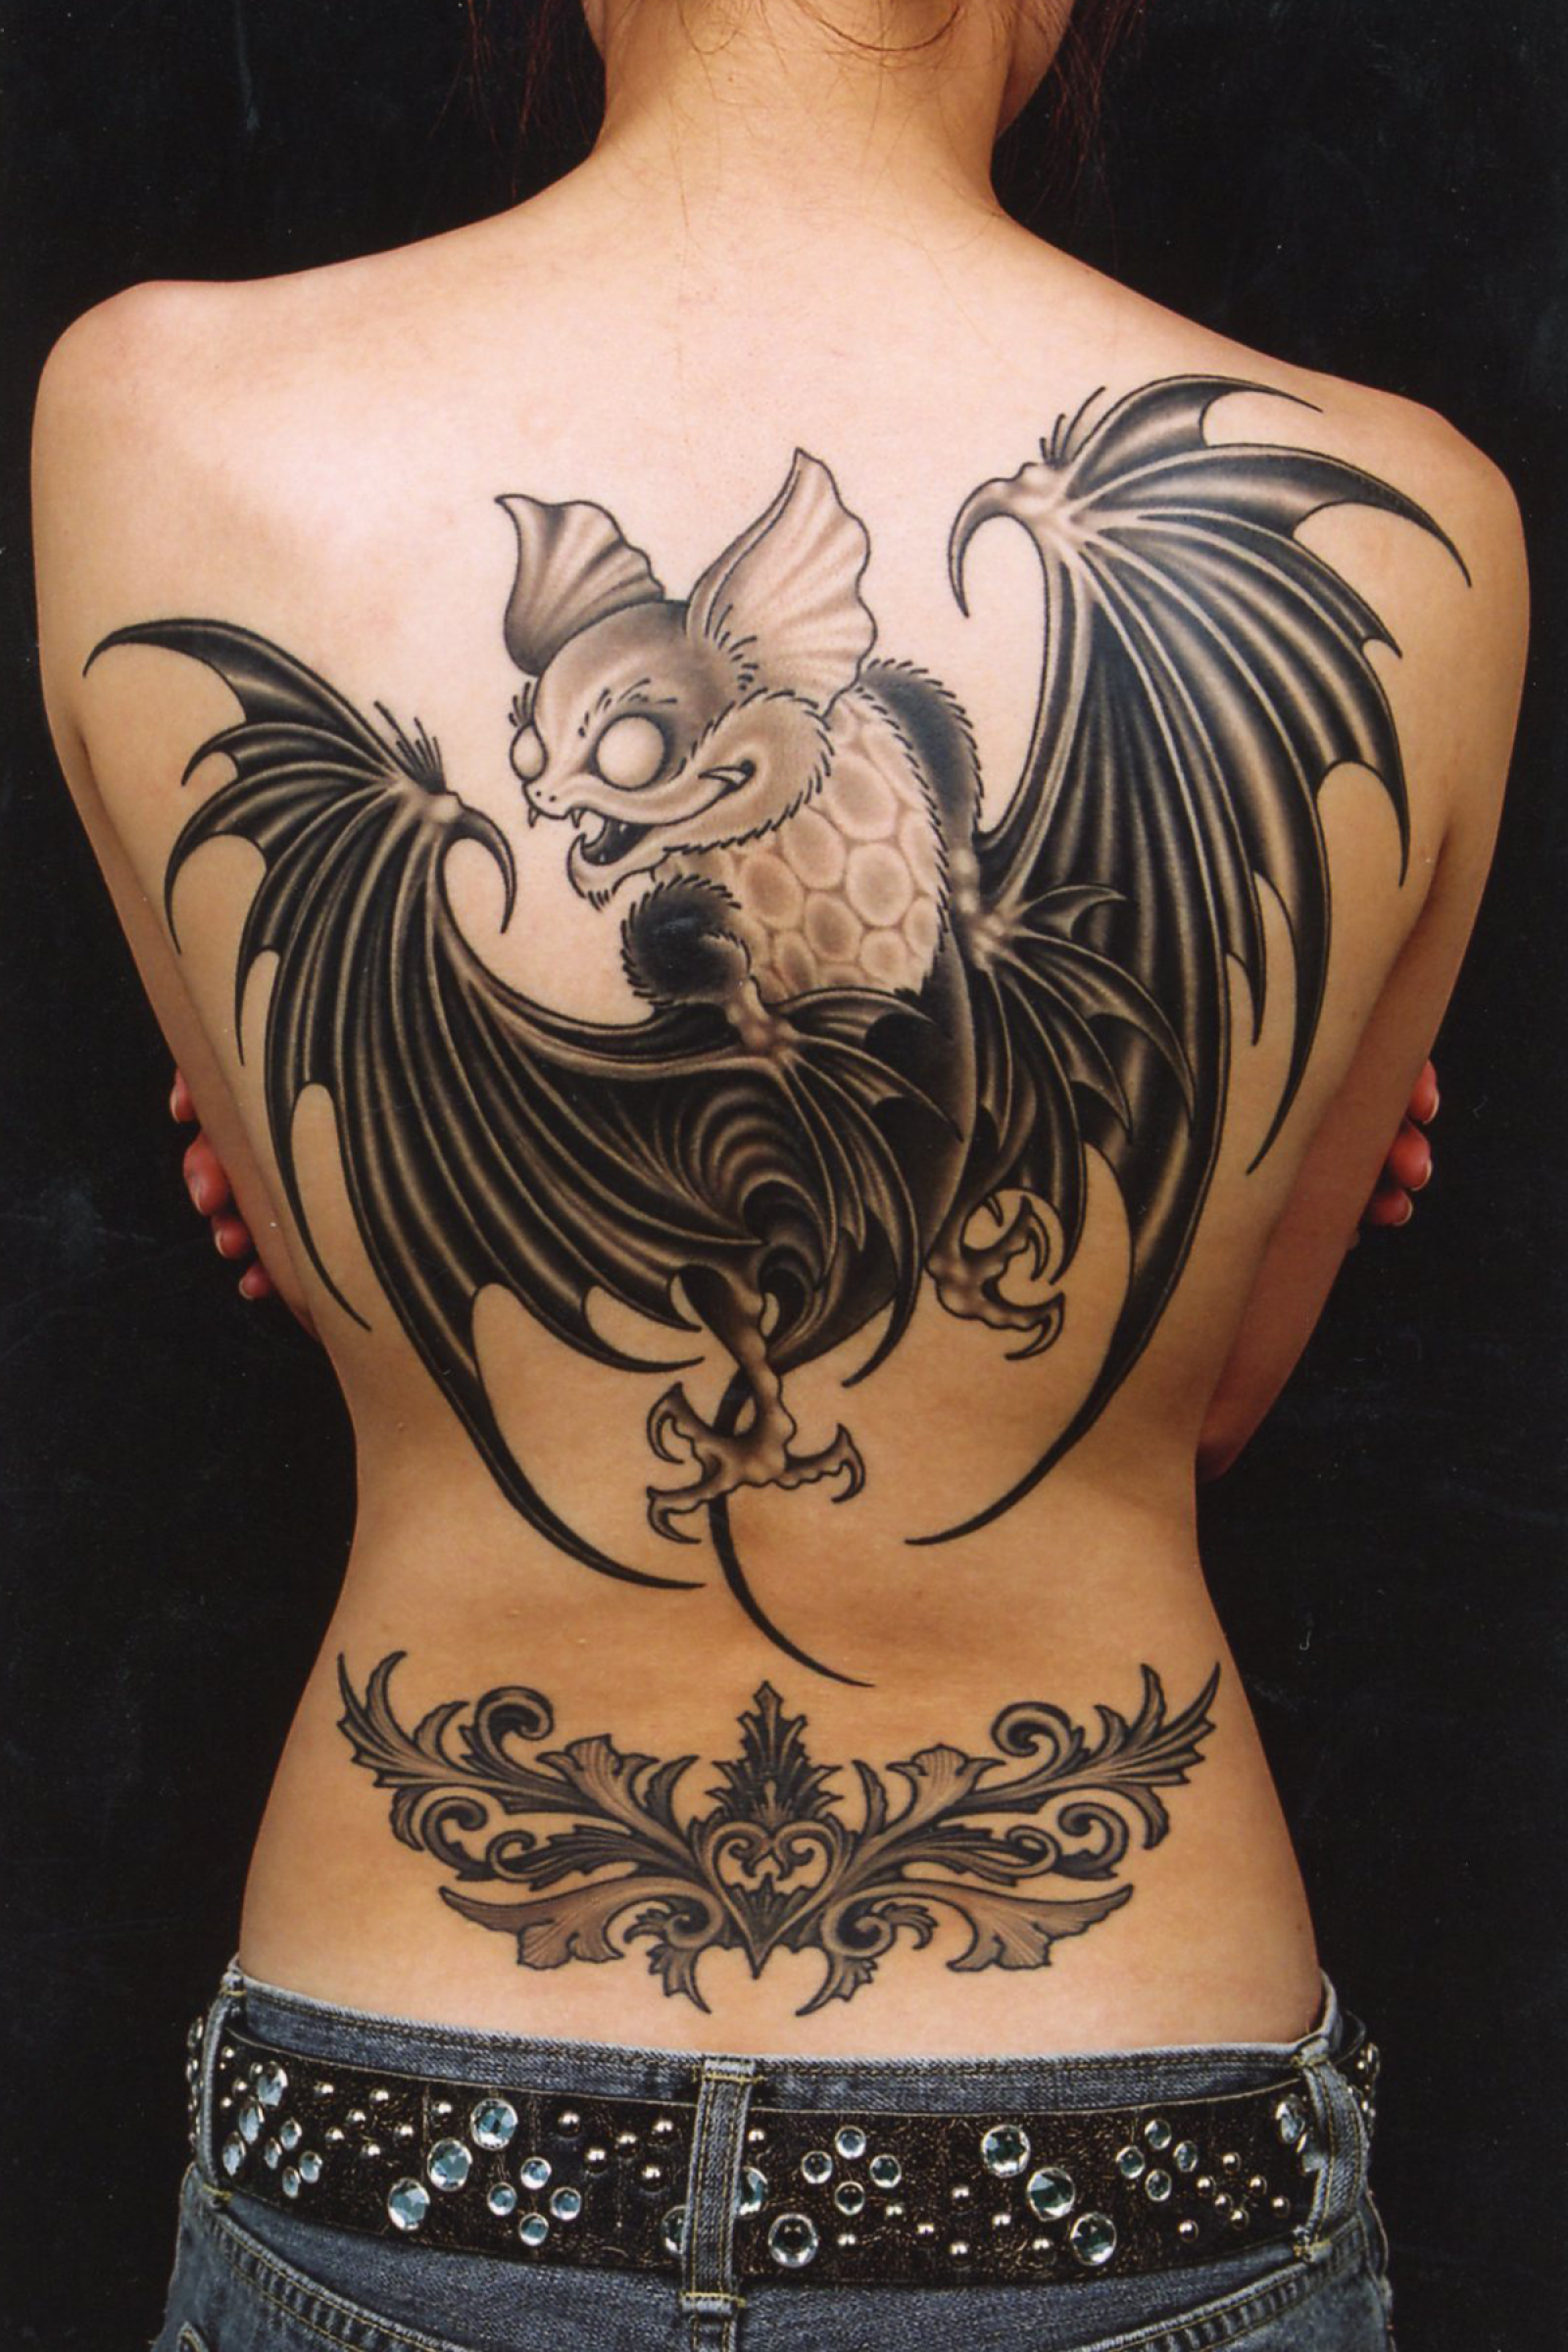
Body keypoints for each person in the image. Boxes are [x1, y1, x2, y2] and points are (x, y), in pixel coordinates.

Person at [30, 0, 1525, 2344]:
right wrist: (1219, 1142)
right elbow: (1195, 1390)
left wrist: (358, 1172)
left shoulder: (153, 416)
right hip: (1112, 2151)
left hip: (414, 2133)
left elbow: (353, 1268)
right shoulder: (1403, 516)